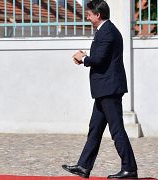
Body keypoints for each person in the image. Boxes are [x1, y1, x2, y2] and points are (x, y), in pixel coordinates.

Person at [62, 0, 138, 179]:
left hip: (109, 89)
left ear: (98, 14)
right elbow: (100, 57)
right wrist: (86, 57)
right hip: (105, 89)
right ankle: (83, 166)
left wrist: (83, 58)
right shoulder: (104, 30)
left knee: (117, 129)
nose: (87, 16)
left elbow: (99, 60)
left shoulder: (107, 32)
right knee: (95, 128)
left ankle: (130, 168)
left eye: (89, 14)